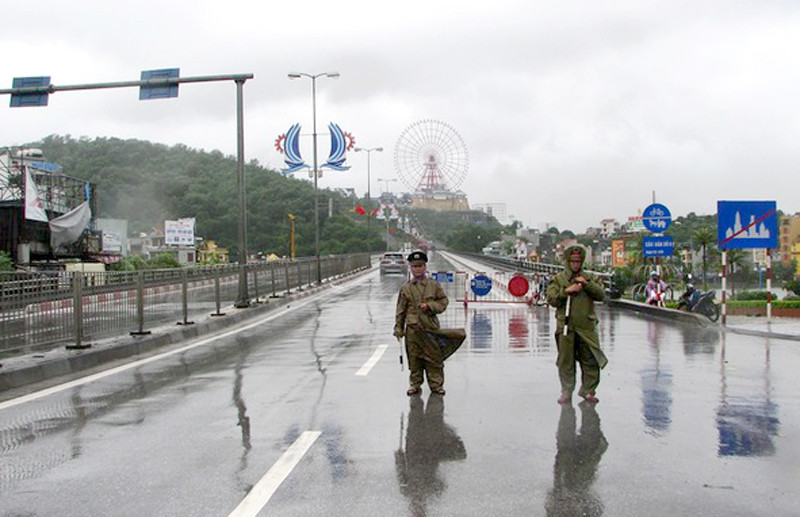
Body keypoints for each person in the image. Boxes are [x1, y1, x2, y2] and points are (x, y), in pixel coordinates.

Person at [394, 250, 465, 396]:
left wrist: (430, 306)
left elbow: (443, 301)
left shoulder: (434, 285)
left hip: (430, 328)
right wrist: (399, 328)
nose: (417, 269)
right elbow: (400, 310)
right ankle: (414, 384)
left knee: (434, 359)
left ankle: (436, 385)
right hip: (413, 330)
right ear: (410, 268)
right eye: (414, 266)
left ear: (425, 267)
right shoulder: (406, 288)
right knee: (414, 359)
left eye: (420, 266)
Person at [546, 246, 608, 405]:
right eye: (572, 261)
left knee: (590, 360)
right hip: (566, 326)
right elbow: (552, 299)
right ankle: (566, 391)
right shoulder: (559, 279)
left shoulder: (589, 277)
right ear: (568, 262)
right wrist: (566, 291)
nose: (575, 264)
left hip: (586, 326)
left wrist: (586, 284)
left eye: (578, 261)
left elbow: (601, 295)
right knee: (566, 361)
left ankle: (588, 390)